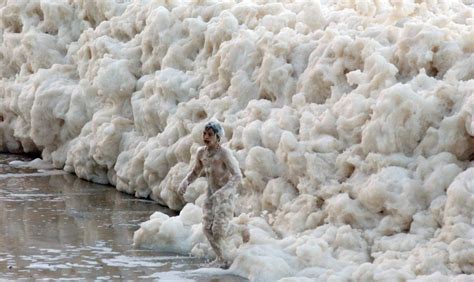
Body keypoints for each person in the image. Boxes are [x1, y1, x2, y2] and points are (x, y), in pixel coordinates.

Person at [178, 121, 245, 269]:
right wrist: (186, 182)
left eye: (210, 134)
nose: (206, 137)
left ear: (218, 137)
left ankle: (239, 230)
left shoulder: (225, 154)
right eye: (204, 133)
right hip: (210, 195)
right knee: (207, 229)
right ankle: (222, 258)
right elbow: (196, 171)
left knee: (218, 230)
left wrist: (223, 192)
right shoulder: (201, 152)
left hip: (225, 196)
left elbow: (238, 176)